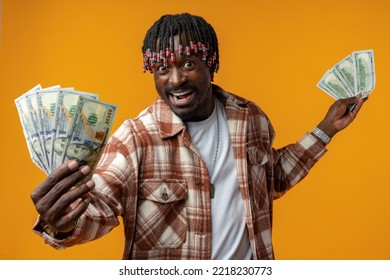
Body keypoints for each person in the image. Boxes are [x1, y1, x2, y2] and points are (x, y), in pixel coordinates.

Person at [30, 13, 366, 260]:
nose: (175, 80)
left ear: (211, 63)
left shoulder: (250, 119)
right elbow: (98, 209)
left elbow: (271, 179)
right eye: (163, 69)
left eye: (188, 63)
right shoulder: (136, 138)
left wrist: (326, 130)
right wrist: (61, 225)